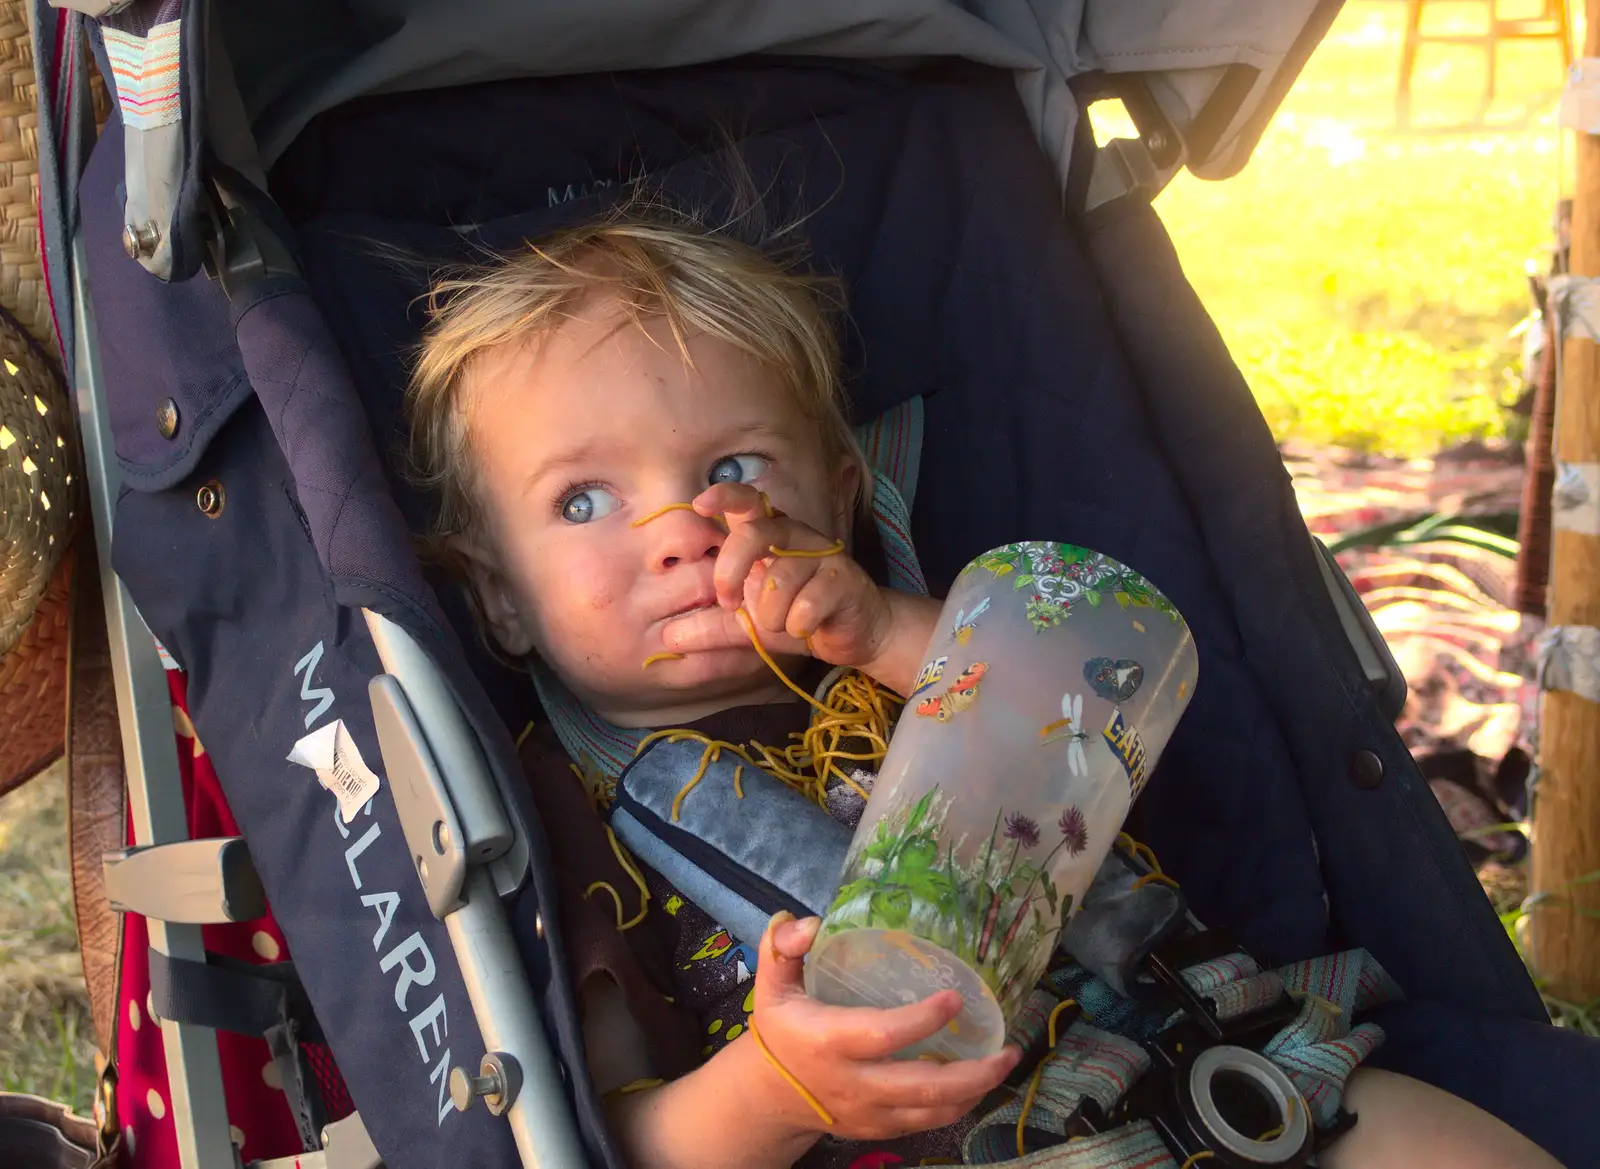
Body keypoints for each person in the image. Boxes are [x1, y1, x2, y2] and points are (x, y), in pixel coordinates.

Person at [404, 211, 1565, 1169]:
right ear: (496, 595)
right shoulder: (561, 813)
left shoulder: (914, 651)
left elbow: (1087, 716)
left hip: (1213, 1072)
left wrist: (886, 626)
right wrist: (775, 1088)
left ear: (840, 492)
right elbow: (615, 1136)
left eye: (729, 468)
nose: (680, 531)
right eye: (582, 501)